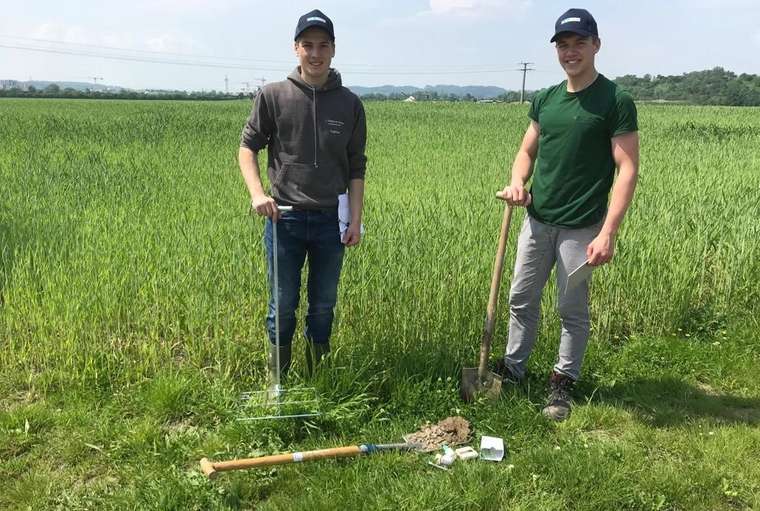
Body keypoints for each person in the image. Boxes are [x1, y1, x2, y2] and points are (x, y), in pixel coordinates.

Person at [496, 8, 639, 421]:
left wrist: (608, 232)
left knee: (571, 308)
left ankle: (562, 383)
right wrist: (519, 182)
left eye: (579, 43)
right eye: (563, 44)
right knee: (521, 298)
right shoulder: (546, 100)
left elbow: (627, 168)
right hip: (537, 220)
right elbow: (526, 151)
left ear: (596, 45)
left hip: (582, 227)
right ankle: (513, 369)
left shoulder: (615, 101)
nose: (570, 51)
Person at [238, 9, 367, 382]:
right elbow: (248, 148)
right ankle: (278, 383)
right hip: (284, 219)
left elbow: (356, 167)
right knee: (283, 304)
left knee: (323, 306)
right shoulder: (273, 96)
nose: (315, 53)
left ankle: (315, 380)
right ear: (296, 49)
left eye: (322, 45)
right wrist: (257, 193)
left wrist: (355, 219)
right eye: (307, 45)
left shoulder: (350, 104)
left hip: (331, 221)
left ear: (333, 50)